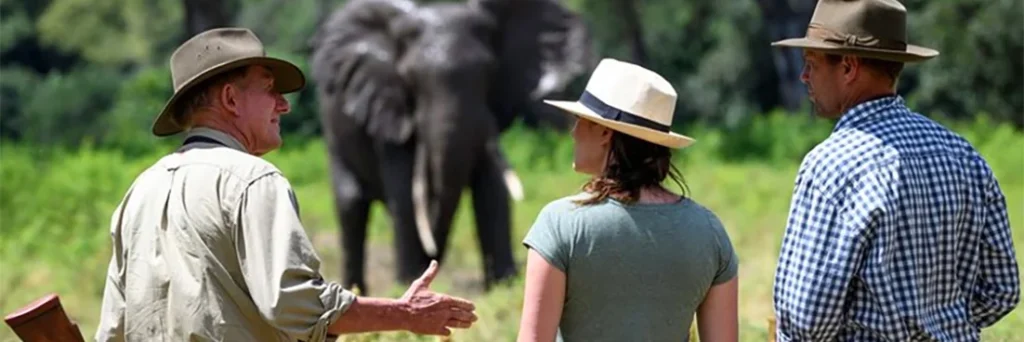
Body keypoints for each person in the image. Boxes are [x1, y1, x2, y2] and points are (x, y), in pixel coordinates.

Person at [94, 27, 477, 342]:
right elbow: (294, 306)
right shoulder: (253, 180)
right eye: (269, 89)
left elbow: (113, 329)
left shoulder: (139, 192)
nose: (284, 105)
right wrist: (404, 313)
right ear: (230, 99)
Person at [769, 0, 1020, 341]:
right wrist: (941, 327)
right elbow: (1000, 290)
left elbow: (808, 320)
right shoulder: (965, 156)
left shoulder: (831, 165)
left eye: (811, 64)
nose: (804, 76)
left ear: (848, 67)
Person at [516, 58, 739, 342]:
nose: (573, 133)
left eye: (581, 121)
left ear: (606, 132)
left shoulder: (559, 225)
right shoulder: (710, 232)